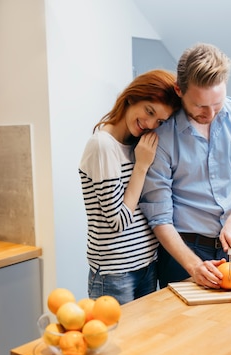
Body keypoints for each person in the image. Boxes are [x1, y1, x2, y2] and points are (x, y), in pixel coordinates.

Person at [140, 43, 231, 289]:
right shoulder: (162, 135)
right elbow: (160, 217)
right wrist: (194, 266)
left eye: (217, 104)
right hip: (181, 253)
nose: (210, 114)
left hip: (228, 248)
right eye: (200, 106)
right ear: (179, 90)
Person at [79, 69, 181, 304]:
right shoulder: (103, 145)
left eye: (159, 121)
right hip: (115, 274)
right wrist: (142, 166)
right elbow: (119, 221)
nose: (150, 123)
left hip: (147, 266)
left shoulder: (138, 145)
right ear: (133, 96)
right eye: (149, 111)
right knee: (115, 340)